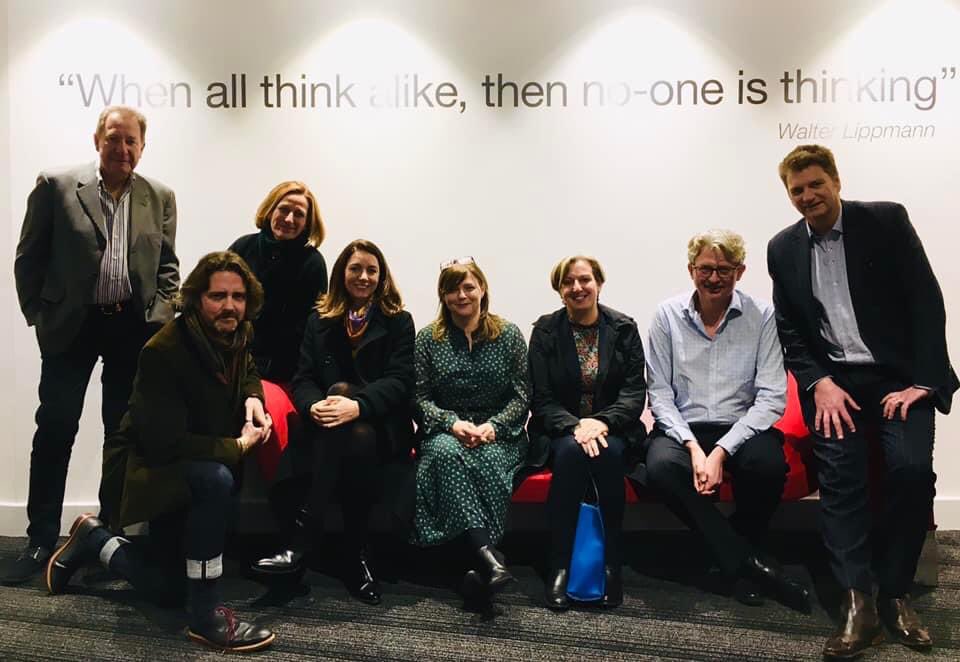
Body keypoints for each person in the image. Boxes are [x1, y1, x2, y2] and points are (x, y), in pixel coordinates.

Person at [768, 145, 957, 658]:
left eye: (815, 184)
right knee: (841, 481)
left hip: (899, 377)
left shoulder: (886, 221)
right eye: (797, 190)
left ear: (835, 180)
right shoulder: (783, 249)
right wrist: (818, 383)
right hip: (836, 384)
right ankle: (859, 602)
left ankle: (894, 592)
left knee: (911, 471)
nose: (808, 196)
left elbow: (926, 298)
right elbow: (791, 330)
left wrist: (923, 380)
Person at [43, 251, 275, 653]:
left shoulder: (236, 333)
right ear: (196, 299)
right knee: (216, 476)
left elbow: (247, 368)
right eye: (218, 295)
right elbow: (162, 443)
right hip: (148, 467)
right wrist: (238, 446)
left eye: (238, 296)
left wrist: (254, 399)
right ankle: (205, 618)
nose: (230, 305)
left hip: (191, 466)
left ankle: (94, 539)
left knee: (169, 592)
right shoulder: (163, 352)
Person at [6, 105, 179, 585]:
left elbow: (167, 266)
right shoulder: (56, 185)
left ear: (142, 148)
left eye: (131, 142)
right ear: (97, 139)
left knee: (119, 434)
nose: (121, 149)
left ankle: (106, 536)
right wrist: (39, 316)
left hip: (130, 329)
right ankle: (41, 537)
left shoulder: (159, 196)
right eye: (113, 138)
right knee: (56, 428)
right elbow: (28, 257)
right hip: (70, 328)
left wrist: (158, 318)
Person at [643, 229, 810, 612]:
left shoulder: (763, 315)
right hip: (684, 426)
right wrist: (692, 447)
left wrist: (719, 451)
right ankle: (747, 563)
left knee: (767, 465)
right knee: (660, 467)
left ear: (741, 271)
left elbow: (771, 397)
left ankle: (731, 558)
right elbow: (661, 394)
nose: (714, 278)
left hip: (742, 425)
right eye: (706, 268)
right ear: (691, 270)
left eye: (724, 269)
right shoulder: (667, 315)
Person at [252, 240, 415, 606]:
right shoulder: (319, 319)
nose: (364, 276)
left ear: (382, 276)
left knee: (351, 419)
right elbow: (304, 378)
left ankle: (300, 545)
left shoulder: (398, 320)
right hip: (327, 426)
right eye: (356, 268)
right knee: (347, 435)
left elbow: (401, 381)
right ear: (342, 272)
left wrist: (356, 406)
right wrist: (312, 407)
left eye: (372, 269)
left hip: (380, 425)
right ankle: (354, 558)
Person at [527, 256, 646, 611]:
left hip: (613, 427)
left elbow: (634, 393)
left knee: (608, 454)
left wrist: (602, 422)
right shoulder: (546, 331)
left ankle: (611, 565)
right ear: (559, 289)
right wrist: (576, 425)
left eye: (584, 280)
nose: (577, 287)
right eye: (568, 282)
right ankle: (560, 564)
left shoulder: (624, 328)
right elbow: (541, 398)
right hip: (561, 428)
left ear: (598, 283)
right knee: (570, 454)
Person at [412, 258, 530, 604]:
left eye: (468, 286)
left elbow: (522, 395)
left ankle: (467, 565)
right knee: (447, 456)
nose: (461, 295)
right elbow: (419, 398)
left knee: (487, 461)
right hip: (446, 430)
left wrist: (493, 426)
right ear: (443, 295)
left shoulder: (508, 335)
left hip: (499, 432)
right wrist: (451, 423)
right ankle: (488, 558)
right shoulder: (427, 339)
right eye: (452, 289)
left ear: (482, 289)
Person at [228, 181, 327, 521]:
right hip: (235, 363)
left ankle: (290, 528)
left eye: (299, 214)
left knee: (272, 423)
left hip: (285, 371)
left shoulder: (313, 263)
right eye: (284, 209)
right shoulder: (241, 249)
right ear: (270, 209)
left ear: (308, 223)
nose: (289, 218)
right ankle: (220, 527)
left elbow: (310, 330)